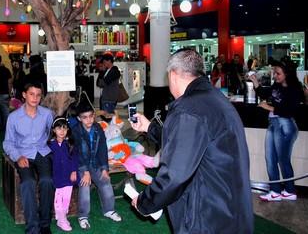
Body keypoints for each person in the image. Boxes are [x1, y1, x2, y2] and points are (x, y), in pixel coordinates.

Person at [130, 49, 253, 233]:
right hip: (229, 209)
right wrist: (150, 128)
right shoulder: (214, 98)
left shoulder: (188, 110)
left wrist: (145, 202)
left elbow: (174, 175)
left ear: (172, 75)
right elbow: (189, 143)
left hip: (206, 216)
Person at [249, 60, 304, 201]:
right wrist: (255, 81)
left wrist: (269, 108)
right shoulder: (277, 85)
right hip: (274, 124)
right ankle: (275, 191)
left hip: (285, 125)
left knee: (282, 159)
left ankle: (290, 190)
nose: (275, 75)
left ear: (287, 74)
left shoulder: (294, 89)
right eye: (275, 72)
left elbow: (290, 110)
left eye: (278, 73)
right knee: (270, 159)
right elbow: (265, 93)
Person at [3, 82, 54, 234]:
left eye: (38, 95)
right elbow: (7, 142)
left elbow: (53, 133)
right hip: (23, 154)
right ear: (24, 95)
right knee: (28, 182)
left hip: (42, 153)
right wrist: (17, 156)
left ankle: (45, 225)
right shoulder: (13, 117)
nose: (35, 98)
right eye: (31, 94)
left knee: (47, 181)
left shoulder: (47, 114)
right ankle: (32, 227)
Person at [71, 97, 122, 230]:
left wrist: (105, 168)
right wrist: (85, 172)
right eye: (84, 117)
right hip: (81, 165)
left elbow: (103, 148)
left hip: (95, 163)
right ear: (79, 118)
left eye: (90, 116)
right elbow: (77, 153)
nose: (88, 120)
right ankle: (83, 216)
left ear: (94, 115)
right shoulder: (76, 131)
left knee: (105, 182)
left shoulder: (98, 127)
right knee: (85, 185)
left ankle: (109, 210)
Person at [48, 117, 78, 232]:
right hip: (57, 176)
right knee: (58, 198)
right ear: (54, 130)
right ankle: (61, 219)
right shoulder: (50, 145)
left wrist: (74, 171)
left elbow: (75, 158)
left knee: (66, 197)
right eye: (59, 128)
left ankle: (62, 216)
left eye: (64, 128)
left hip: (69, 176)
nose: (62, 131)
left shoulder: (69, 143)